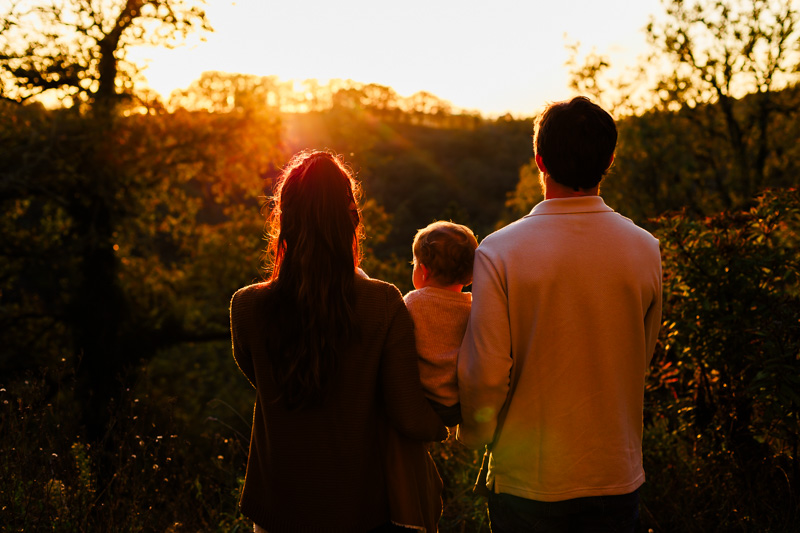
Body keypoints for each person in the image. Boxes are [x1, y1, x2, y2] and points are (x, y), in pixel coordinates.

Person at [457, 96, 663, 532]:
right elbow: (640, 356)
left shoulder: (499, 250)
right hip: (615, 474)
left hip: (527, 480)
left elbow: (487, 374)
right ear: (610, 159)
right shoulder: (645, 248)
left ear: (539, 160)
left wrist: (475, 438)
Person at [230, 150, 448, 533]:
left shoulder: (247, 307)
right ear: (351, 220)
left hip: (278, 510)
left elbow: (263, 382)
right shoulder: (382, 303)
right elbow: (408, 415)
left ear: (285, 221)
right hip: (358, 510)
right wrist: (445, 423)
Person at [405, 220, 478, 427]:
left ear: (424, 271)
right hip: (458, 404)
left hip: (425, 400)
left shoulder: (413, 302)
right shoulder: (474, 306)